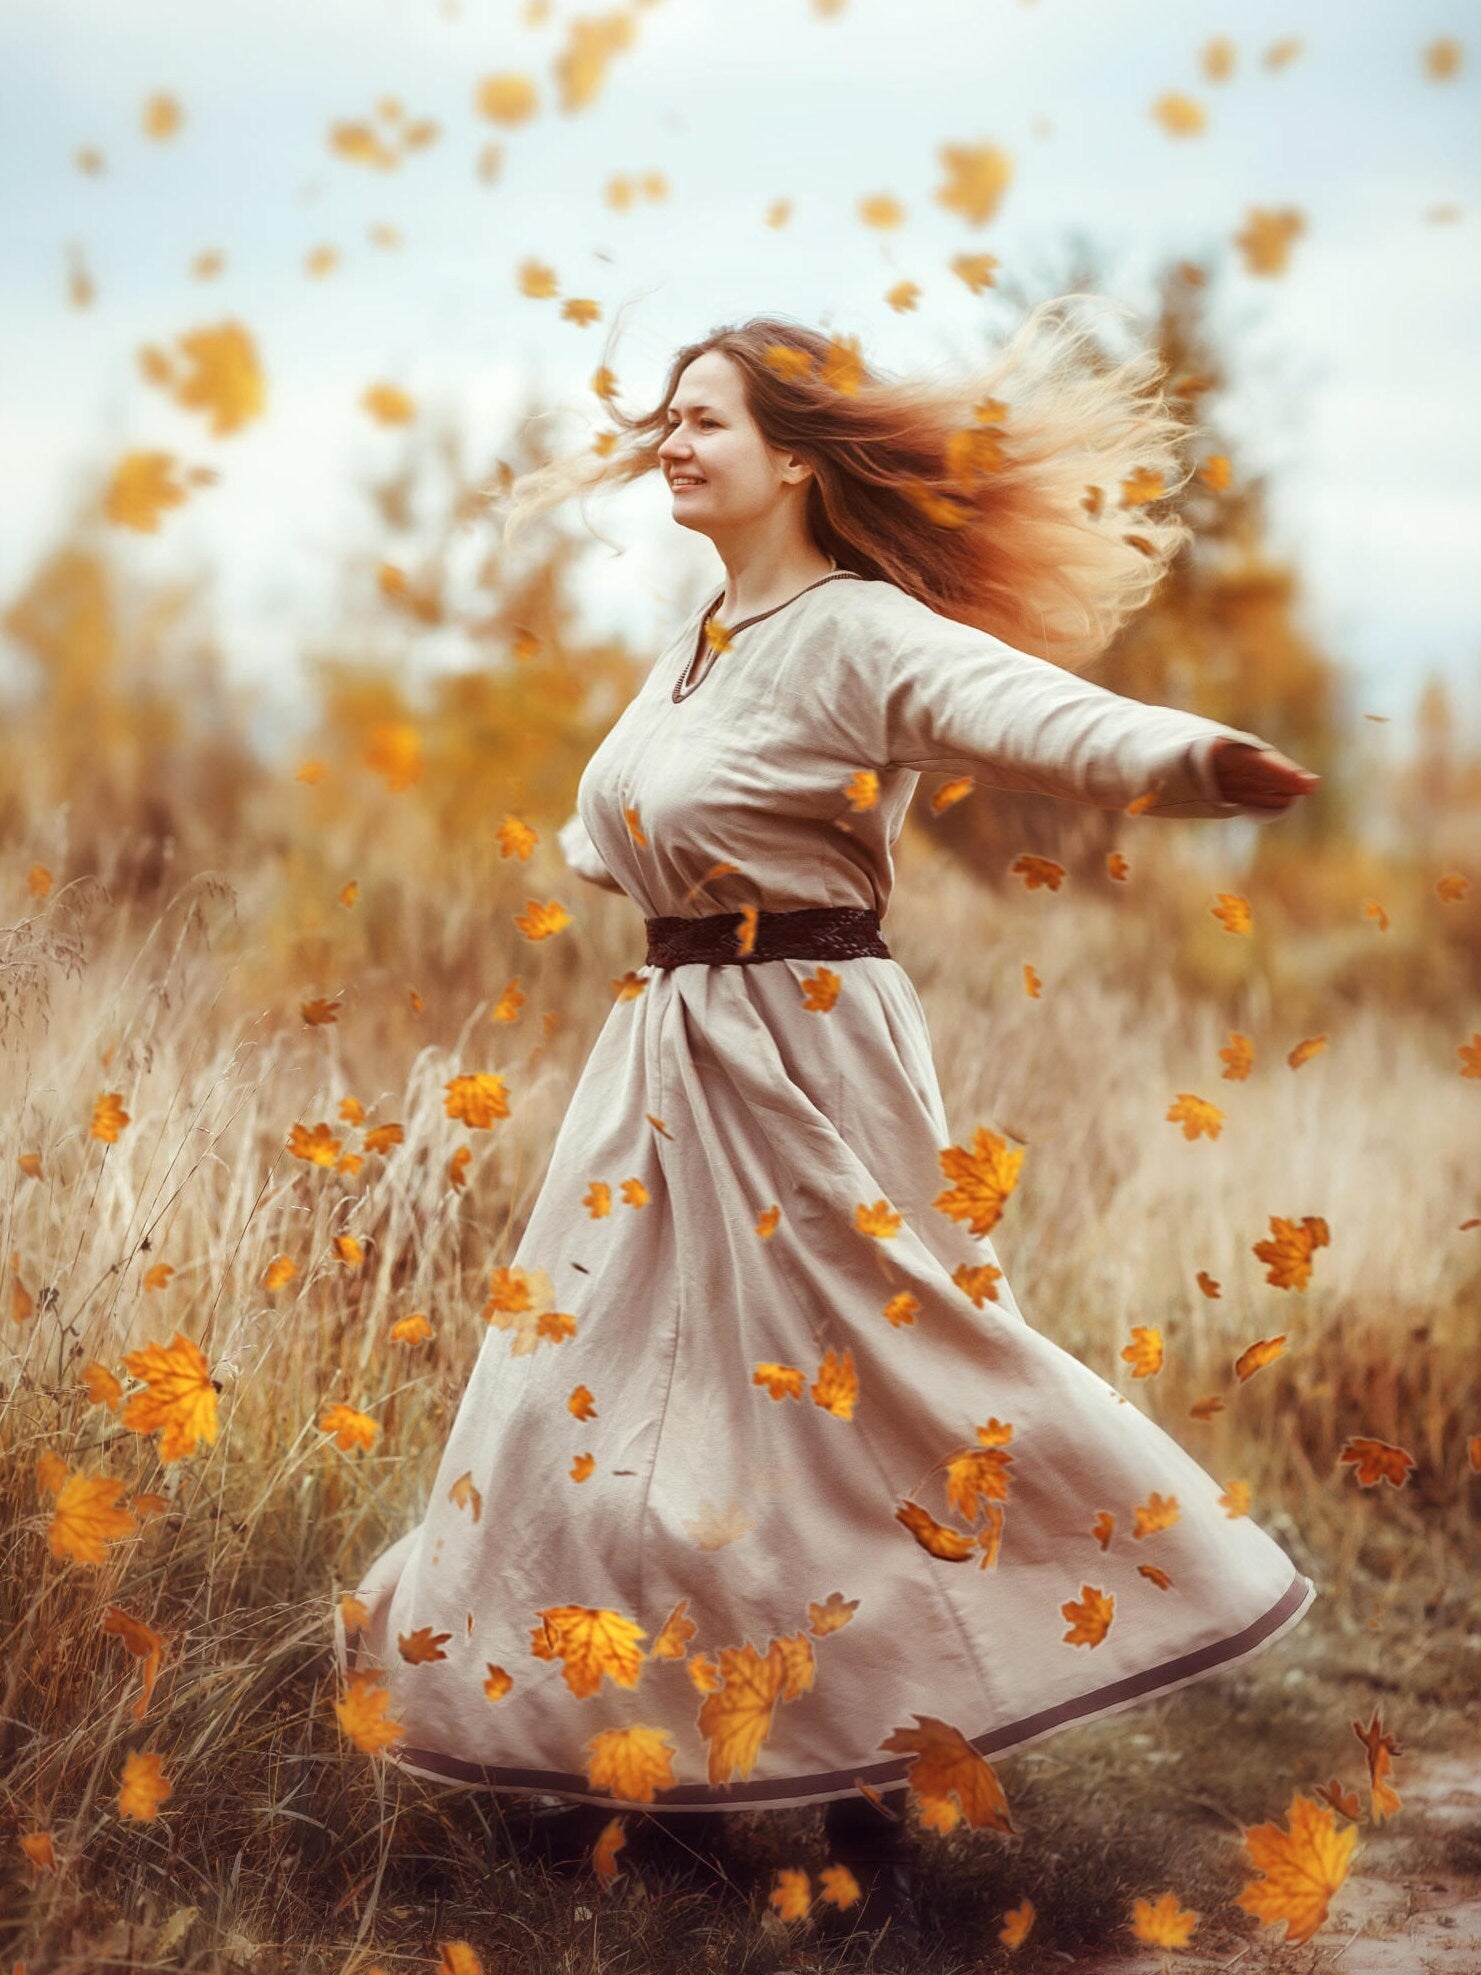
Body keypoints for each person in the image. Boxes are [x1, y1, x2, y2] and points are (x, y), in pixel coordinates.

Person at [333, 299, 1321, 1952]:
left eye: (705, 418)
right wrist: (636, 855)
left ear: (795, 458)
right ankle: (635, 1762)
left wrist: (1188, 760)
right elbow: (618, 818)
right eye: (663, 416)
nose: (672, 440)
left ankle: (871, 1791)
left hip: (807, 1055)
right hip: (664, 1058)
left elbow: (1032, 713)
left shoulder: (857, 628)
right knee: (584, 1416)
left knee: (850, 1416)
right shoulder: (704, 635)